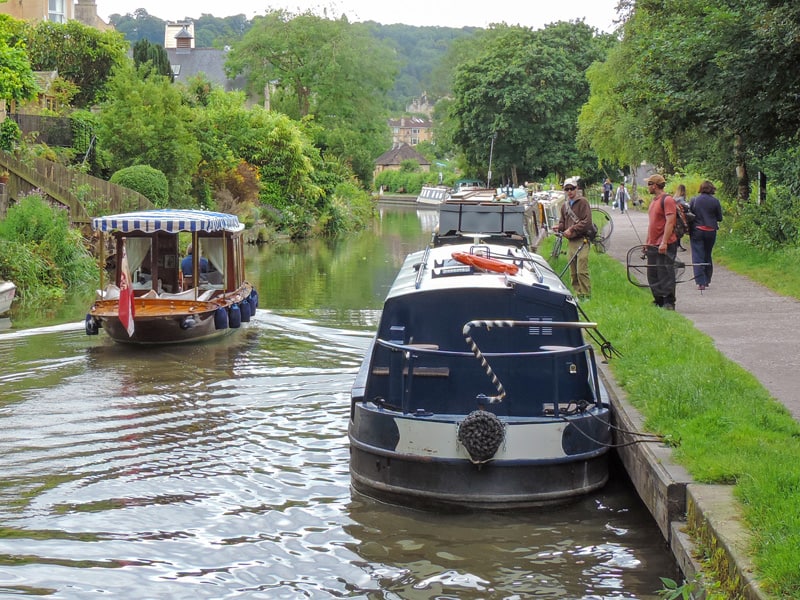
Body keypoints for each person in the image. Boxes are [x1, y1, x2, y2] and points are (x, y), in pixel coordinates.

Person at [553, 177, 592, 300]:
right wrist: (559, 228)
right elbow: (563, 223)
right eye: (567, 189)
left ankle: (586, 294)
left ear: (577, 189)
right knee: (573, 271)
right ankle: (578, 294)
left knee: (582, 269)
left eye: (572, 188)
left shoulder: (583, 202)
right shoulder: (564, 206)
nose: (569, 191)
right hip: (571, 242)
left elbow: (587, 222)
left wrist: (572, 230)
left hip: (583, 240)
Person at [644, 174, 678, 310]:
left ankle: (669, 302)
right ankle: (658, 300)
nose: (647, 187)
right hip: (652, 244)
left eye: (649, 184)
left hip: (666, 243)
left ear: (655, 185)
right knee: (652, 273)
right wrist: (647, 242)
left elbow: (670, 222)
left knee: (665, 272)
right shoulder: (653, 201)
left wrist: (664, 242)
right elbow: (652, 224)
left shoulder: (667, 200)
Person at [689, 180, 723, 291]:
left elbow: (689, 215)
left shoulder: (694, 200)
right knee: (707, 254)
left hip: (697, 231)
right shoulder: (715, 201)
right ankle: (707, 279)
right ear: (712, 189)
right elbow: (720, 218)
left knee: (698, 255)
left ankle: (701, 282)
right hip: (711, 231)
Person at [673, 184, 690, 251]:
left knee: (676, 231)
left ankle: (677, 245)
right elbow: (686, 206)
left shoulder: (674, 198)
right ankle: (678, 246)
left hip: (674, 216)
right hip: (679, 217)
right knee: (679, 231)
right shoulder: (681, 199)